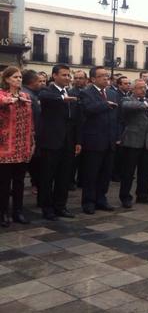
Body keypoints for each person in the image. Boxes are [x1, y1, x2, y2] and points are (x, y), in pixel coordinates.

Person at [37, 64, 80, 220]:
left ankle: (60, 206)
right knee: (47, 176)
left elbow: (75, 120)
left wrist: (77, 141)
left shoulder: (72, 93)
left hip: (68, 142)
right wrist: (63, 98)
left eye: (69, 75)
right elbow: (44, 97)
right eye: (64, 75)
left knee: (64, 176)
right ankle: (47, 208)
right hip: (51, 141)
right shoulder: (47, 91)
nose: (67, 78)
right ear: (54, 76)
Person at [79, 66, 119, 214]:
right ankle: (88, 201)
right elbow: (88, 109)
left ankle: (101, 199)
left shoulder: (112, 93)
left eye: (107, 75)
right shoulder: (86, 93)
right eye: (102, 76)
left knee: (105, 173)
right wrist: (105, 104)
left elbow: (117, 117)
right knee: (91, 174)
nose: (105, 78)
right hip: (94, 140)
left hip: (110, 140)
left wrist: (117, 136)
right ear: (93, 79)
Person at [0, 67, 34, 227]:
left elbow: (30, 121)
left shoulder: (25, 96)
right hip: (5, 147)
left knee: (19, 182)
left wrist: (32, 141)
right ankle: (2, 212)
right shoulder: (2, 95)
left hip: (23, 146)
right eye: (15, 77)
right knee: (4, 183)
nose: (19, 80)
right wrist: (11, 100)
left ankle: (18, 211)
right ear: (6, 79)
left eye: (20, 77)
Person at [119, 80, 148, 206]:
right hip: (132, 142)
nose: (143, 90)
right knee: (128, 172)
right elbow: (127, 106)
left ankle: (143, 195)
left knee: (145, 171)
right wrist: (142, 105)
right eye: (140, 88)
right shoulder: (126, 100)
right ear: (133, 89)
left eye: (145, 88)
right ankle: (125, 197)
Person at [21, 70, 42, 196]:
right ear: (32, 82)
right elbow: (35, 117)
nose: (41, 84)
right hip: (31, 136)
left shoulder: (32, 94)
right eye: (39, 81)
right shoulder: (29, 95)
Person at [69, 70, 88, 189]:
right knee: (73, 158)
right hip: (75, 128)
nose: (78, 80)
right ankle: (70, 180)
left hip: (88, 127)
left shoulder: (88, 92)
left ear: (86, 80)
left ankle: (82, 180)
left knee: (85, 158)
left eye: (80, 78)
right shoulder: (71, 93)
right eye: (76, 78)